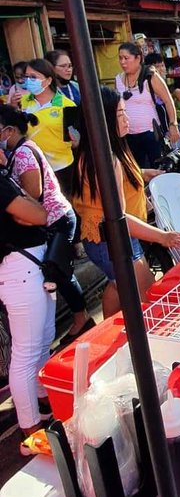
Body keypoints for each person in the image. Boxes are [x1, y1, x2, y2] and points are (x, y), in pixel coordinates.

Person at [72, 88, 180, 317]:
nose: (127, 120)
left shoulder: (97, 151)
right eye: (120, 114)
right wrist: (163, 237)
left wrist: (144, 173)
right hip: (113, 240)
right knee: (149, 297)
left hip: (101, 238)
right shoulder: (107, 159)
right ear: (104, 120)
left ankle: (112, 340)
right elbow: (117, 219)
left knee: (118, 285)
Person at [0, 104, 94, 345]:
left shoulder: (22, 153)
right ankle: (79, 317)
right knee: (57, 271)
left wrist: (18, 210)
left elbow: (34, 193)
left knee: (58, 271)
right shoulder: (16, 151)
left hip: (55, 219)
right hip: (52, 219)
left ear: (8, 131)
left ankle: (81, 318)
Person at [0, 172, 55, 455]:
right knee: (26, 353)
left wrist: (29, 209)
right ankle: (31, 431)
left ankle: (44, 404)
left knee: (42, 342)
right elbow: (39, 214)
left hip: (30, 268)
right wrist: (28, 208)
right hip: (19, 271)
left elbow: (34, 213)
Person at [116, 42, 180, 168]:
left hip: (151, 134)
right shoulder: (118, 79)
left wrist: (173, 125)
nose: (122, 62)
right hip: (129, 135)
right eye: (120, 58)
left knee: (159, 170)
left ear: (138, 58)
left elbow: (168, 100)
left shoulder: (150, 77)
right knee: (137, 172)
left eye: (126, 58)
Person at [21, 57, 77, 196]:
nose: (28, 81)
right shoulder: (23, 102)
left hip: (61, 168)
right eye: (26, 77)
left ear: (48, 80)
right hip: (32, 168)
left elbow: (76, 141)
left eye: (33, 77)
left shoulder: (66, 105)